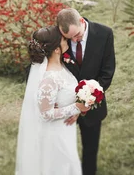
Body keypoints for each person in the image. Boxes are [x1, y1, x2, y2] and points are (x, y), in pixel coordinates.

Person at [15, 26, 90, 175]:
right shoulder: (49, 79)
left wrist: (77, 109)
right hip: (54, 136)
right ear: (56, 49)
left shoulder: (62, 65)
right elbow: (46, 114)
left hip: (66, 130)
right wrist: (77, 107)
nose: (66, 39)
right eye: (63, 39)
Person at [57, 8, 116, 175]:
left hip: (92, 104)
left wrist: (85, 103)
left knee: (90, 150)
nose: (74, 40)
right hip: (64, 106)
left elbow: (107, 73)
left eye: (77, 35)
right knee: (62, 149)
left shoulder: (105, 34)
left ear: (82, 22)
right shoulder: (60, 36)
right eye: (70, 38)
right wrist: (71, 106)